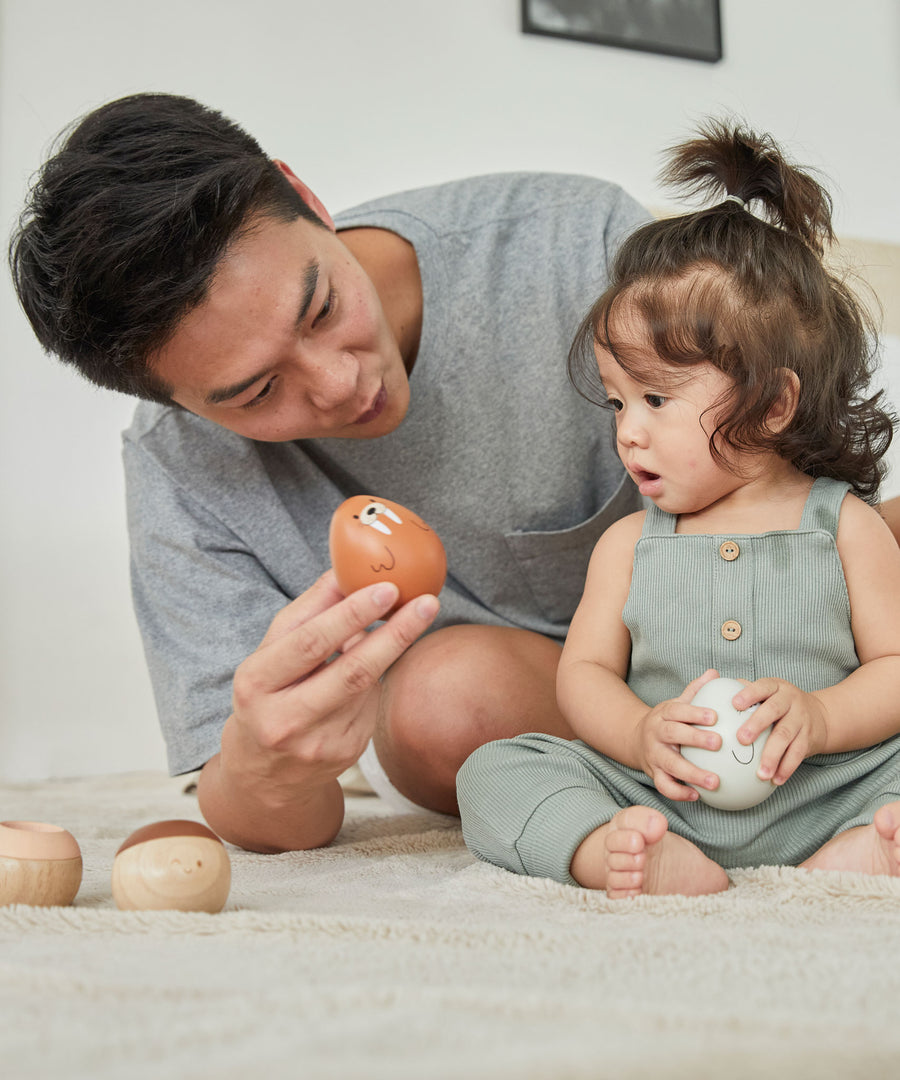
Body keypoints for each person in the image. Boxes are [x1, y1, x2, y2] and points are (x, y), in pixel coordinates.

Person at [8, 93, 652, 852]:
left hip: (738, 637)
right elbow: (267, 816)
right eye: (258, 392)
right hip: (508, 707)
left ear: (307, 198)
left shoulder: (575, 248)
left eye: (319, 308)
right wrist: (261, 765)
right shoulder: (177, 464)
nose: (338, 383)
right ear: (178, 404)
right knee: (444, 704)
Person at [457, 119, 900, 898]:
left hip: (828, 790)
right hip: (667, 796)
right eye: (619, 402)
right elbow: (585, 673)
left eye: (657, 398)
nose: (629, 432)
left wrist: (824, 718)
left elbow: (896, 669)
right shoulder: (630, 545)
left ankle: (865, 848)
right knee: (496, 770)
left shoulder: (846, 528)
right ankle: (611, 846)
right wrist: (637, 732)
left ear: (771, 407)